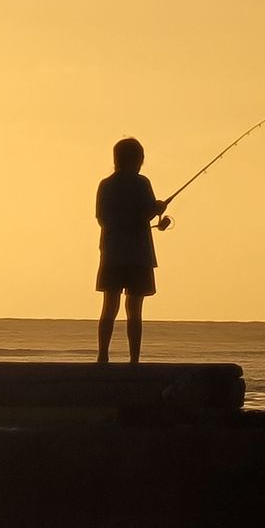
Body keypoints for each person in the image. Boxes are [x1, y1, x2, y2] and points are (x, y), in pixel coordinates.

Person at [96, 137, 166, 364]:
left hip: (112, 253)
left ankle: (103, 355)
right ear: (138, 159)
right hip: (138, 255)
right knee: (134, 310)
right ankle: (134, 360)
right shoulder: (141, 183)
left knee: (109, 306)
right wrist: (157, 209)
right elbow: (144, 215)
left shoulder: (105, 185)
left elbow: (102, 219)